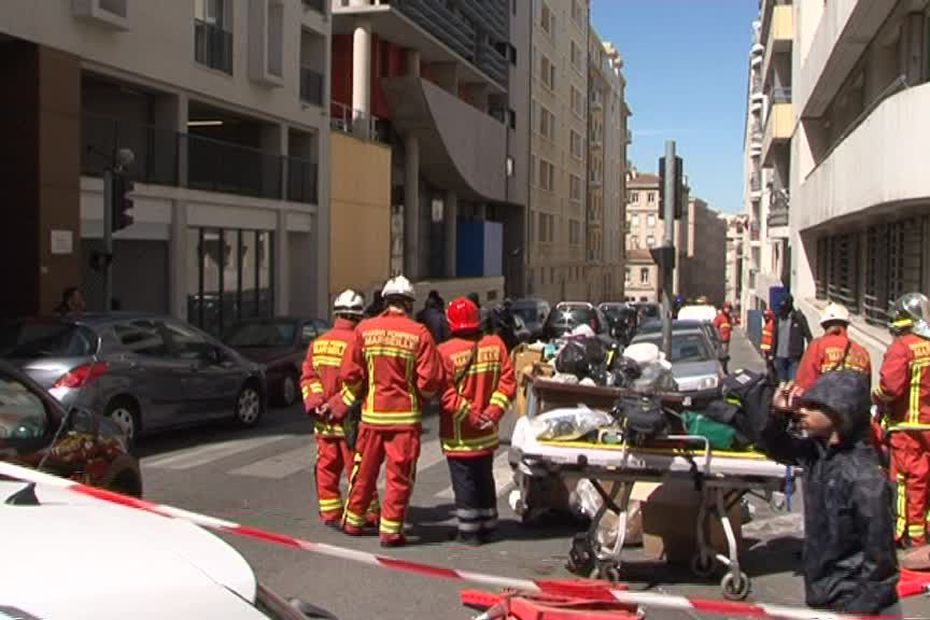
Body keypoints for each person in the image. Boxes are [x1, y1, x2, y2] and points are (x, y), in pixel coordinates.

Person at [761, 371, 898, 615]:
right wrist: (779, 414)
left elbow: (880, 560)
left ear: (840, 413)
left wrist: (860, 609)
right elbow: (776, 447)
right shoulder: (819, 456)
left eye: (814, 406)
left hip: (853, 602)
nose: (802, 411)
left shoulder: (864, 478)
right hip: (824, 596)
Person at [339, 275, 447, 547]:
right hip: (404, 419)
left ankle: (353, 521)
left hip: (372, 416)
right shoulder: (419, 333)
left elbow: (350, 373)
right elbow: (429, 380)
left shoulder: (364, 329)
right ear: (409, 304)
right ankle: (390, 531)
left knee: (363, 470)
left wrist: (363, 392)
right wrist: (419, 398)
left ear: (385, 301)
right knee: (399, 477)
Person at [437, 298, 516, 545]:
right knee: (485, 477)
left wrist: (468, 414)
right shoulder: (496, 345)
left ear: (451, 323)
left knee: (465, 482)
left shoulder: (445, 352)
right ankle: (489, 525)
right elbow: (508, 383)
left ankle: (469, 531)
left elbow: (445, 392)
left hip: (460, 433)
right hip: (487, 431)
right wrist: (493, 412)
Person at [299, 289, 378, 527]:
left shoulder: (318, 344)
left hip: (323, 422)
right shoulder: (359, 343)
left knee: (326, 467)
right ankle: (368, 513)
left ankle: (330, 513)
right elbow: (360, 382)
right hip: (350, 420)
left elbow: (308, 377)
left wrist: (317, 404)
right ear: (358, 316)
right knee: (359, 469)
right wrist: (337, 405)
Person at [873, 292, 930, 548]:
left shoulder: (902, 347)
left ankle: (905, 533)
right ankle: (924, 531)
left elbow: (890, 389)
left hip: (907, 427)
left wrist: (876, 397)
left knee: (906, 481)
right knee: (926, 480)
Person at [794, 302, 871, 393]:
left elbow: (804, 382)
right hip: (854, 405)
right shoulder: (862, 352)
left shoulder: (817, 346)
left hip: (823, 404)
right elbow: (866, 387)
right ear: (846, 325)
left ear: (824, 325)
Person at [772, 295, 812, 382]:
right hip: (779, 356)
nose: (782, 311)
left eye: (784, 308)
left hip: (794, 356)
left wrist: (808, 355)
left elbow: (809, 337)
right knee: (781, 382)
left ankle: (789, 395)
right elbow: (774, 336)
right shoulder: (777, 318)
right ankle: (783, 394)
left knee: (792, 383)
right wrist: (772, 354)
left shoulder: (798, 318)